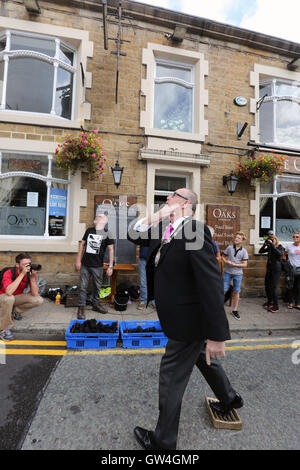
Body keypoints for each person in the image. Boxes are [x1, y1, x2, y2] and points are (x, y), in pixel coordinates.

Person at [128, 188, 243, 450]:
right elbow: (132, 234)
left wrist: (216, 334)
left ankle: (163, 441)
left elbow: (211, 282)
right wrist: (157, 216)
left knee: (171, 377)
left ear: (185, 203)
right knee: (203, 357)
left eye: (172, 195)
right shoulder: (165, 230)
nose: (166, 198)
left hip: (188, 320)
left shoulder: (194, 230)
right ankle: (230, 398)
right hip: (179, 316)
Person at [75, 214, 114, 319]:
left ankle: (96, 305)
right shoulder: (89, 230)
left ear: (104, 221)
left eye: (100, 216)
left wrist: (110, 266)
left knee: (97, 287)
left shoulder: (107, 233)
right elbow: (82, 245)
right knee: (83, 287)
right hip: (85, 264)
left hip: (97, 266)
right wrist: (78, 260)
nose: (98, 217)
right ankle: (81, 308)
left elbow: (111, 250)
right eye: (97, 216)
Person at [0, 253, 43, 341]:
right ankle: (4, 328)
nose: (27, 266)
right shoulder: (9, 272)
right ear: (17, 265)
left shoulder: (29, 274)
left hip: (15, 298)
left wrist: (32, 278)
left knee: (38, 300)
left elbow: (35, 294)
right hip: (3, 297)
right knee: (9, 298)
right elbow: (8, 292)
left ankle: (13, 312)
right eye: (24, 264)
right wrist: (22, 274)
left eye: (29, 264)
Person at [222, 232, 248, 321]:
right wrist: (226, 262)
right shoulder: (229, 248)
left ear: (242, 241)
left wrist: (234, 264)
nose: (236, 239)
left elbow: (245, 265)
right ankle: (218, 307)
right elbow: (223, 257)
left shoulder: (244, 251)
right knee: (224, 289)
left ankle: (235, 310)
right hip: (227, 272)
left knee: (237, 291)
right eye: (236, 237)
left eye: (239, 238)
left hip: (238, 274)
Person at [259, 231, 284, 312]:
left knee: (273, 287)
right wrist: (264, 245)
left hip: (276, 269)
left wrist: (272, 245)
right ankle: (270, 301)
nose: (271, 241)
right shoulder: (270, 247)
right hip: (269, 268)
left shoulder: (280, 247)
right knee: (267, 286)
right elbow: (260, 251)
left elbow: (280, 254)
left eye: (272, 239)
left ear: (276, 240)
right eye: (270, 239)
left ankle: (276, 305)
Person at [283, 232, 300, 310]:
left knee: (298, 287)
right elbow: (284, 256)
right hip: (291, 269)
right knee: (290, 287)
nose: (295, 238)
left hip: (299, 269)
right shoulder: (289, 247)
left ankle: (297, 303)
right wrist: (286, 264)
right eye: (294, 237)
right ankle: (290, 302)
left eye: (297, 236)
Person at [137, 246, 155, 310]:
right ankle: (143, 301)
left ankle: (153, 301)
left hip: (154, 259)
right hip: (143, 259)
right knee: (143, 281)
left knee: (153, 281)